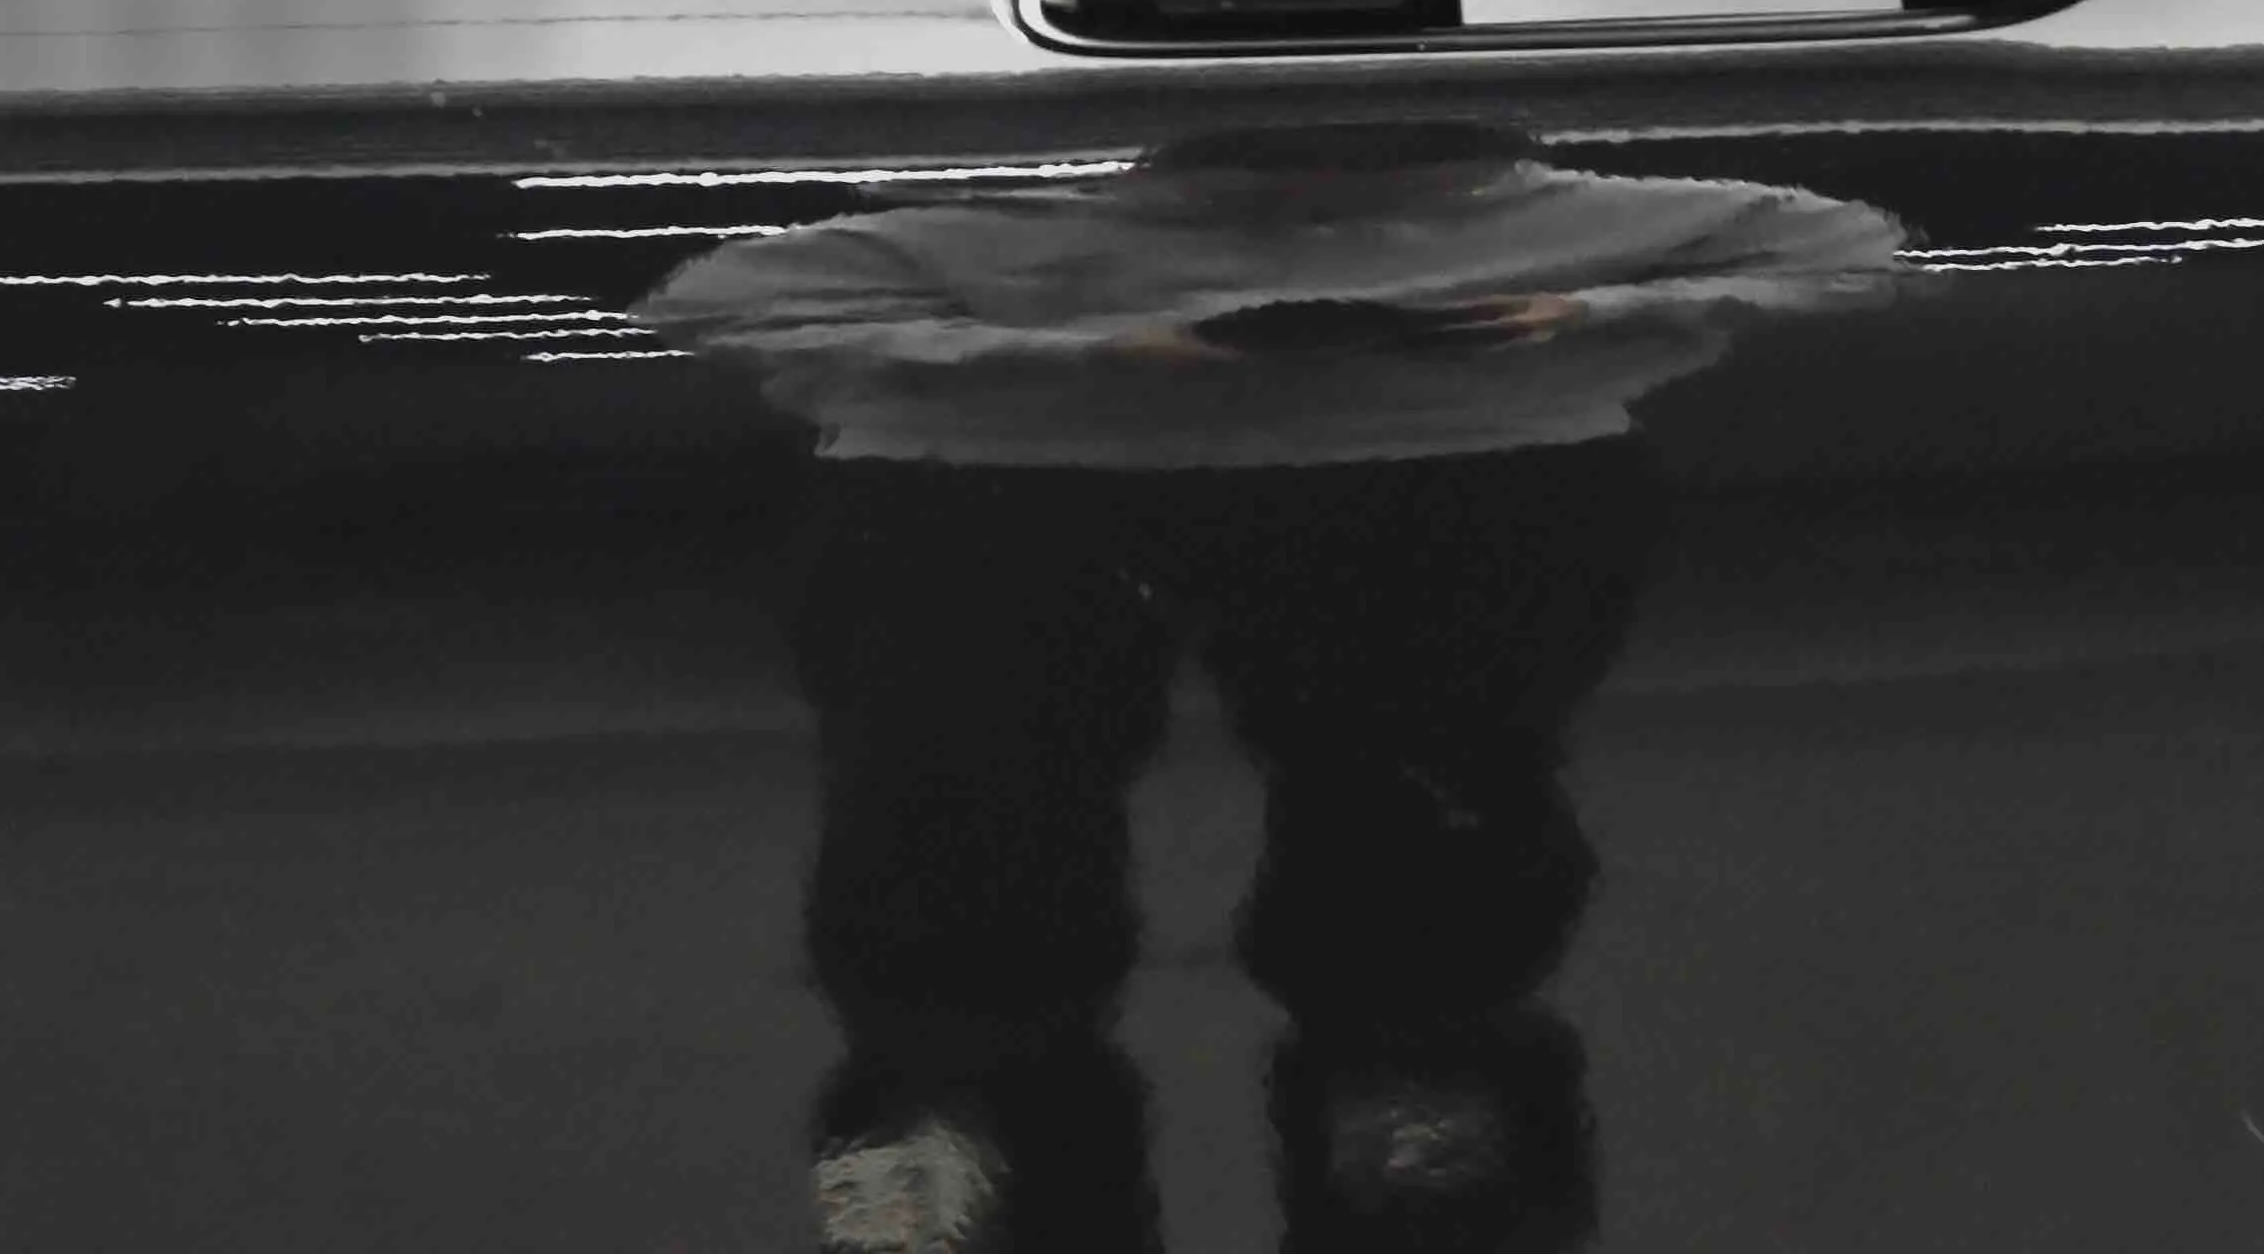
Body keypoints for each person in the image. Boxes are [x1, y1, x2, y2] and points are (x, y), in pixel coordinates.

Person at [645, 121, 1903, 1254]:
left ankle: (1025, 1137)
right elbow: (724, 295)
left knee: (1409, 823)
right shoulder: (1019, 219)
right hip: (1095, 486)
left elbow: (1841, 247)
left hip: (1338, 473)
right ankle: (983, 1126)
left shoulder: (1012, 223)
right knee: (977, 828)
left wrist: (1586, 311)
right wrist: (1093, 348)